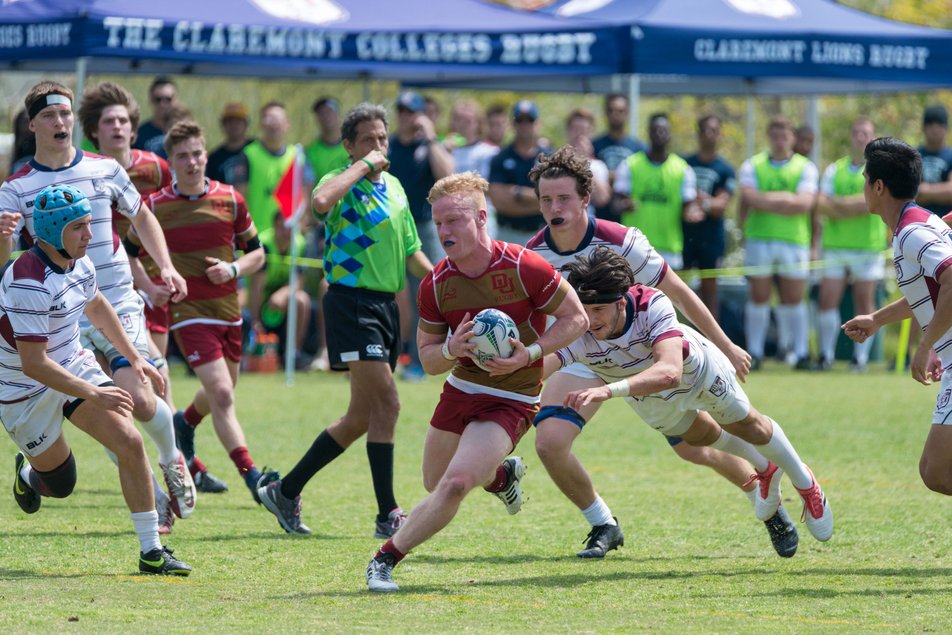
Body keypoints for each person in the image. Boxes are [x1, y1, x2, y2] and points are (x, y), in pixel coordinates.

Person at [526, 146, 796, 559]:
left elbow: (679, 293)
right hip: (583, 352)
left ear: (585, 199)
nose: (554, 208)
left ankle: (769, 503)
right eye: (546, 200)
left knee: (694, 447)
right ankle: (603, 523)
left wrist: (725, 344)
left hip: (637, 351)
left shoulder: (621, 242)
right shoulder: (533, 257)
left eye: (563, 198)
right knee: (549, 442)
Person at [364, 171, 589, 592]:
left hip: (513, 396)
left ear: (482, 218)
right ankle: (501, 478)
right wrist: (452, 349)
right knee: (435, 482)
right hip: (462, 389)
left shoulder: (523, 266)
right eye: (439, 222)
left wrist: (530, 354)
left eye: (454, 220)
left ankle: (383, 560)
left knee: (454, 485)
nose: (444, 231)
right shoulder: (435, 284)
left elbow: (577, 318)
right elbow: (429, 360)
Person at [0, 81, 195, 531]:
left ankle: (172, 458)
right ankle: (150, 493)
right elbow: (6, 262)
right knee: (107, 411)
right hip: (60, 316)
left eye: (65, 114)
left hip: (114, 301)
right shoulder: (15, 187)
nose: (60, 122)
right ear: (33, 125)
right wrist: (2, 235)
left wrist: (166, 267)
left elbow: (142, 216)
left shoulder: (104, 168)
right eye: (49, 115)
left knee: (139, 399)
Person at [555, 248, 833, 550]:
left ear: (621, 302)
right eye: (586, 309)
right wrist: (521, 361)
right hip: (647, 395)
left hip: (694, 373)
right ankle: (764, 468)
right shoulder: (578, 325)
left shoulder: (651, 303)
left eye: (598, 310)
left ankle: (806, 484)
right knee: (697, 440)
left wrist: (608, 390)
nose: (590, 319)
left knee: (747, 426)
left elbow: (670, 371)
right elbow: (544, 362)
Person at [257, 103, 432, 536]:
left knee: (360, 417)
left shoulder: (395, 188)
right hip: (351, 303)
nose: (378, 146)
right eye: (368, 139)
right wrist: (364, 166)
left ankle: (285, 490)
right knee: (389, 403)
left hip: (385, 306)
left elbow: (412, 252)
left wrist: (447, 282)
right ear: (349, 146)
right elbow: (319, 203)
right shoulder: (339, 181)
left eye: (383, 138)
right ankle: (387, 514)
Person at [3, 183, 191, 575]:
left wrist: (135, 358)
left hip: (71, 363)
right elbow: (35, 364)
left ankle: (152, 552)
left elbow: (99, 306)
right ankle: (28, 474)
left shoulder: (80, 262)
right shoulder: (27, 280)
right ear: (52, 232)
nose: (90, 235)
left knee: (129, 440)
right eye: (79, 227)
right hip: (23, 388)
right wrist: (95, 392)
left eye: (90, 224)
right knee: (61, 484)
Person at [126, 120, 275, 508]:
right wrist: (150, 286)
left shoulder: (230, 199)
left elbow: (257, 254)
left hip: (228, 312)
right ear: (171, 161)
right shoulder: (154, 205)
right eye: (182, 156)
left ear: (206, 156)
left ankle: (186, 421)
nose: (191, 162)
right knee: (222, 393)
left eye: (196, 154)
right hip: (188, 313)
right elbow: (128, 253)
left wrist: (233, 269)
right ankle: (253, 477)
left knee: (223, 389)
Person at [844, 136, 952, 496]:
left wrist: (925, 346)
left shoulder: (911, 233)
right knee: (934, 469)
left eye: (865, 180)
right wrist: (877, 319)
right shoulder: (916, 223)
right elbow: (930, 293)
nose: (863, 187)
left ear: (878, 186)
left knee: (937, 470)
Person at [77, 81, 176, 417]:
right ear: (94, 131)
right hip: (106, 287)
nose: (118, 127)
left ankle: (177, 444)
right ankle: (140, 443)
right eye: (109, 121)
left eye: (124, 121)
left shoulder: (156, 167)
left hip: (153, 281)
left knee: (158, 376)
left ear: (134, 129)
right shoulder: (82, 173)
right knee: (123, 385)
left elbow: (169, 212)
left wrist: (169, 266)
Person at [739, 115, 819, 370]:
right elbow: (750, 198)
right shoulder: (753, 165)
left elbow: (804, 203)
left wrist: (766, 200)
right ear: (768, 137)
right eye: (775, 135)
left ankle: (801, 353)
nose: (780, 140)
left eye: (784, 135)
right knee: (759, 297)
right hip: (759, 239)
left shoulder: (805, 167)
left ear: (792, 138)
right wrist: (787, 199)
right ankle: (755, 353)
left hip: (793, 241)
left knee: (794, 298)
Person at [387, 90, 455, 380]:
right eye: (401, 111)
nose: (406, 117)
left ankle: (421, 360)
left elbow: (448, 176)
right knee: (388, 295)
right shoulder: (388, 147)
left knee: (426, 293)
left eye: (411, 111)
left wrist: (431, 138)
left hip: (423, 228)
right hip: (390, 227)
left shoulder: (430, 146)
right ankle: (385, 357)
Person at [815, 117, 885, 371]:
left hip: (867, 246)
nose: (860, 137)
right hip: (836, 245)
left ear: (872, 137)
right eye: (856, 132)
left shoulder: (879, 169)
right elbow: (821, 203)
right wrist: (856, 204)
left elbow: (872, 203)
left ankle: (860, 359)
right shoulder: (835, 169)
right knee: (827, 300)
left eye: (865, 133)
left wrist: (839, 204)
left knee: (864, 302)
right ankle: (825, 356)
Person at [612, 113, 700, 270]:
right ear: (649, 133)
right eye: (656, 130)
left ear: (670, 134)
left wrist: (692, 212)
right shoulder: (630, 165)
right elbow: (616, 202)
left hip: (669, 250)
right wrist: (623, 205)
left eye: (664, 130)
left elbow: (689, 205)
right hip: (634, 248)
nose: (660, 133)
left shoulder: (682, 169)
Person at [682, 114, 737, 319]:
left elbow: (720, 206)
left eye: (714, 130)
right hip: (684, 235)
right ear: (698, 134)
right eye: (705, 130)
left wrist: (700, 202)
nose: (709, 135)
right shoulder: (684, 163)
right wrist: (705, 202)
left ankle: (711, 336)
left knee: (709, 292)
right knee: (677, 289)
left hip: (711, 237)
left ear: (720, 134)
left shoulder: (725, 169)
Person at [248, 210, 312, 369]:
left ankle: (293, 355)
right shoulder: (264, 244)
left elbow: (299, 281)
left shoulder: (300, 244)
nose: (286, 231)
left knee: (302, 299)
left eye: (290, 227)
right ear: (274, 226)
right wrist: (255, 320)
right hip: (259, 298)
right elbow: (256, 287)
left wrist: (283, 293)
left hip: (283, 299)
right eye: (282, 226)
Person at [488, 100, 549, 245]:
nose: (524, 125)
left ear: (537, 123)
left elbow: (554, 199)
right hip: (508, 234)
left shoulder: (549, 157)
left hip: (542, 234)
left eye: (529, 120)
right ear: (513, 124)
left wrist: (518, 193)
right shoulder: (500, 157)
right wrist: (540, 202)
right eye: (520, 120)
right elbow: (499, 201)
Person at [234, 102, 301, 233]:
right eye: (269, 119)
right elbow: (239, 200)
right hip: (256, 237)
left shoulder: (297, 156)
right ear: (261, 124)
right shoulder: (247, 155)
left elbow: (305, 199)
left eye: (278, 119)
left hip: (290, 239)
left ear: (287, 124)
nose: (273, 124)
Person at [564, 108, 611, 218]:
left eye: (583, 130)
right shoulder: (554, 162)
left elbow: (602, 199)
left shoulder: (598, 166)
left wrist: (583, 163)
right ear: (567, 131)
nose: (579, 135)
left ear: (591, 133)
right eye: (575, 129)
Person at [914, 105, 952, 218]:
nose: (935, 129)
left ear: (946, 127)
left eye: (939, 124)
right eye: (930, 124)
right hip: (919, 221)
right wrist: (941, 192)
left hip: (947, 223)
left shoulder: (950, 156)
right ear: (924, 128)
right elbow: (909, 192)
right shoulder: (914, 155)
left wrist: (925, 190)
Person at [304, 97, 350, 188]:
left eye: (329, 112)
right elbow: (308, 185)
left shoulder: (353, 146)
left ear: (338, 114)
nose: (325, 116)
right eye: (321, 113)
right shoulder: (310, 152)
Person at [206, 102, 252, 186]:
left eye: (238, 121)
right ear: (223, 125)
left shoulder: (258, 149)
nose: (234, 125)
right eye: (230, 121)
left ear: (246, 124)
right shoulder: (214, 159)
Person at [133, 76, 178, 158]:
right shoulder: (140, 133)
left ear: (175, 100)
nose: (163, 104)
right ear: (150, 100)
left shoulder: (184, 131)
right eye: (158, 99)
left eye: (168, 99)